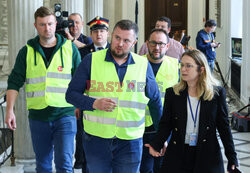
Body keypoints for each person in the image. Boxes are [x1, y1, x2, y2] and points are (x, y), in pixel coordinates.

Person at [66, 19, 162, 173]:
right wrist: (93, 103)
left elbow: (156, 102)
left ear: (134, 42)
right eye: (117, 38)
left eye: (126, 40)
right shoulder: (91, 60)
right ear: (111, 35)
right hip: (97, 139)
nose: (120, 43)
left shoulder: (143, 65)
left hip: (130, 142)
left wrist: (162, 137)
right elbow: (71, 95)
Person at [5, 7, 81, 173]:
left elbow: (80, 81)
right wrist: (9, 111)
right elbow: (14, 82)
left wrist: (80, 105)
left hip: (65, 114)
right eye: (42, 25)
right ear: (35, 25)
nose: (47, 28)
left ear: (55, 24)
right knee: (43, 166)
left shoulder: (70, 49)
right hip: (38, 116)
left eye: (50, 24)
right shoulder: (26, 52)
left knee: (65, 165)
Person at [145, 49, 239, 173]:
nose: (183, 69)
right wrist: (156, 144)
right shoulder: (173, 93)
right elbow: (166, 123)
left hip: (207, 153)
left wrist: (232, 157)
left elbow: (224, 127)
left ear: (201, 69)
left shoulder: (216, 94)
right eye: (182, 65)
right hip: (179, 152)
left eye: (189, 66)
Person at [73, 16, 110, 172]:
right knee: (85, 140)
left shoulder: (114, 52)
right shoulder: (82, 52)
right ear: (91, 34)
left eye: (102, 31)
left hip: (110, 102)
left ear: (107, 33)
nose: (99, 35)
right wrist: (77, 104)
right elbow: (76, 80)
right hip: (87, 103)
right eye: (95, 32)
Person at [140, 28, 179, 173]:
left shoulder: (177, 66)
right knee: (145, 168)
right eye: (153, 43)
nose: (157, 47)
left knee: (164, 167)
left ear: (168, 46)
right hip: (140, 127)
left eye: (161, 44)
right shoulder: (136, 64)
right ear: (147, 44)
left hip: (167, 127)